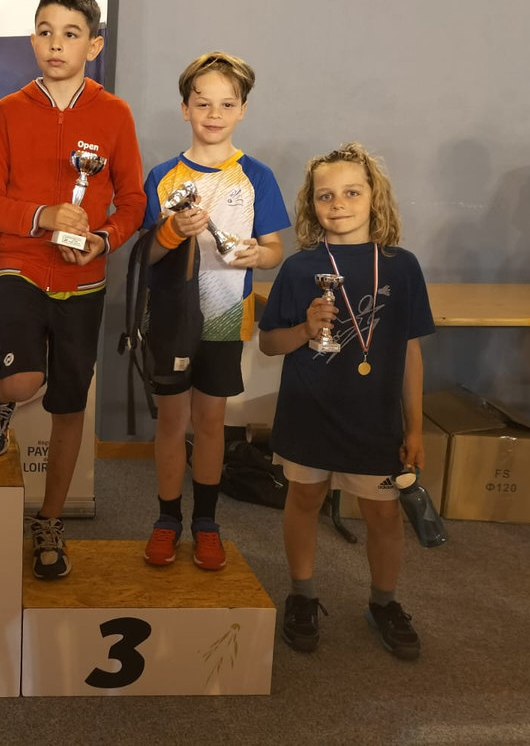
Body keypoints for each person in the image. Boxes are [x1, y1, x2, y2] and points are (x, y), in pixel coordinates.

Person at [0, 0, 145, 579]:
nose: (55, 44)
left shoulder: (114, 114)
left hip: (84, 277)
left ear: (93, 46)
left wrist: (104, 239)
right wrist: (43, 215)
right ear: (32, 40)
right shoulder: (10, 110)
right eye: (45, 31)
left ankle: (50, 521)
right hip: (20, 263)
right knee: (25, 378)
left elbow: (133, 200)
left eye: (71, 34)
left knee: (69, 405)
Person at [259, 142, 435, 660]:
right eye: (325, 195)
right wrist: (304, 328)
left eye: (352, 192)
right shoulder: (299, 268)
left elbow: (411, 353)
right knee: (304, 500)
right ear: (311, 204)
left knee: (383, 515)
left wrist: (415, 428)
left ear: (374, 196)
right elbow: (269, 344)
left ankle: (384, 602)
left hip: (373, 418)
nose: (338, 204)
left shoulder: (402, 267)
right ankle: (302, 594)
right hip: (309, 411)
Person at [141, 51, 288, 570]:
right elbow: (145, 255)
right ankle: (166, 520)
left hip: (226, 318)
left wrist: (258, 255)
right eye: (202, 103)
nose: (214, 113)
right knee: (170, 421)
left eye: (227, 104)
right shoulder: (162, 176)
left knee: (211, 422)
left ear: (242, 110)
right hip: (170, 320)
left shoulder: (256, 176)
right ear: (185, 108)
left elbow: (275, 249)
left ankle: (206, 522)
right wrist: (170, 232)